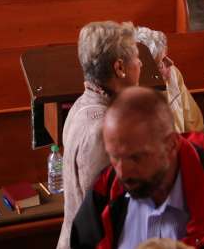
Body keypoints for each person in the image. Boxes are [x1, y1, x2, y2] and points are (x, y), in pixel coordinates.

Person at [70, 87, 204, 249]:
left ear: (171, 144)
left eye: (136, 157)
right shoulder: (103, 197)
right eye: (114, 157)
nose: (123, 172)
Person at [58, 21, 142, 249]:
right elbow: (106, 212)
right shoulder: (103, 130)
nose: (140, 63)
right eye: (136, 56)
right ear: (119, 68)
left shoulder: (79, 105)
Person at [135, 26, 204, 133]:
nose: (171, 63)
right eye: (162, 61)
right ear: (146, 72)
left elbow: (194, 124)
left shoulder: (173, 74)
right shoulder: (133, 102)